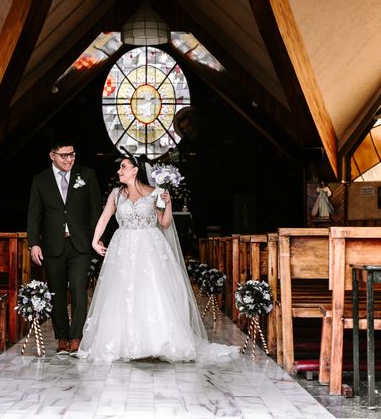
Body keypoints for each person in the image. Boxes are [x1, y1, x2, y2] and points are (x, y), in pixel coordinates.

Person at [77, 155, 238, 362]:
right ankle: (126, 342)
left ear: (135, 170)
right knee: (123, 292)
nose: (119, 171)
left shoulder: (155, 193)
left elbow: (164, 222)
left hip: (150, 247)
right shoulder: (116, 194)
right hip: (124, 246)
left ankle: (158, 341)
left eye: (123, 167)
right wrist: (95, 240)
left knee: (151, 290)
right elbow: (105, 217)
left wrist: (168, 203)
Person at [27, 138, 101, 356]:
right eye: (64, 155)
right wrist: (34, 244)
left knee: (78, 289)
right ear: (52, 156)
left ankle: (76, 336)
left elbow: (96, 209)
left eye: (72, 154)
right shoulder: (40, 180)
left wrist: (96, 238)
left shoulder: (86, 175)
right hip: (53, 245)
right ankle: (62, 337)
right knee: (56, 292)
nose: (69, 159)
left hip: (81, 244)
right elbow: (34, 215)